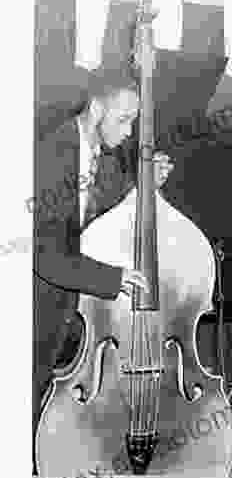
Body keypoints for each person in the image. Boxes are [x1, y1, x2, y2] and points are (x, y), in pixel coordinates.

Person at [32, 68, 173, 473]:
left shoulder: (96, 156)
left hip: (63, 306)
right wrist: (113, 279)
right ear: (95, 109)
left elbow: (100, 210)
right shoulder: (51, 153)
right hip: (34, 302)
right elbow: (45, 252)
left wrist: (144, 185)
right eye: (124, 119)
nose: (130, 132)